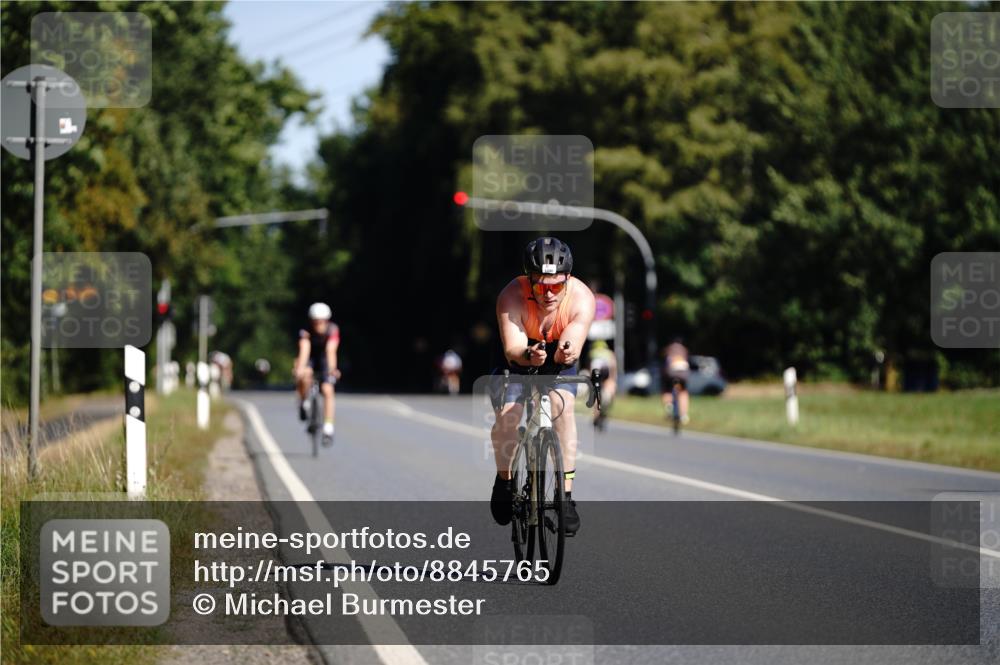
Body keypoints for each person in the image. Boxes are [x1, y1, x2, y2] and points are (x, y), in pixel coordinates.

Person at [490, 237, 596, 535]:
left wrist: (566, 351)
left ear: (568, 280)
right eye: (540, 286)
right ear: (529, 280)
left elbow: (575, 337)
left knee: (564, 408)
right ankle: (504, 481)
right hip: (517, 355)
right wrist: (528, 355)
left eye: (557, 286)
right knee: (509, 415)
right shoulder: (511, 295)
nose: (549, 294)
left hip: (558, 355)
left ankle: (565, 497)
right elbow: (513, 348)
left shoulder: (582, 297)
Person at [293, 302, 340, 446]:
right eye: (315, 321)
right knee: (304, 376)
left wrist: (332, 369)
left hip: (325, 359)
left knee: (327, 389)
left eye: (321, 321)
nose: (318, 325)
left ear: (327, 320)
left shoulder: (332, 330)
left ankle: (328, 428)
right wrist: (300, 367)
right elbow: (304, 349)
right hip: (310, 358)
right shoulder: (305, 331)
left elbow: (331, 350)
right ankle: (303, 402)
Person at [586, 339, 617, 430]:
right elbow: (613, 367)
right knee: (607, 397)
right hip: (604, 376)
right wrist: (613, 379)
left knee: (598, 398)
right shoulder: (609, 353)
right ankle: (601, 415)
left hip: (598, 376)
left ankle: (598, 416)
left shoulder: (592, 353)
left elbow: (589, 367)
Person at [661, 337, 690, 424]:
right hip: (683, 372)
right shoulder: (684, 349)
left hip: (671, 372)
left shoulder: (668, 349)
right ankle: (684, 415)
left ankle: (668, 406)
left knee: (667, 390)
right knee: (683, 392)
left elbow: (664, 360)